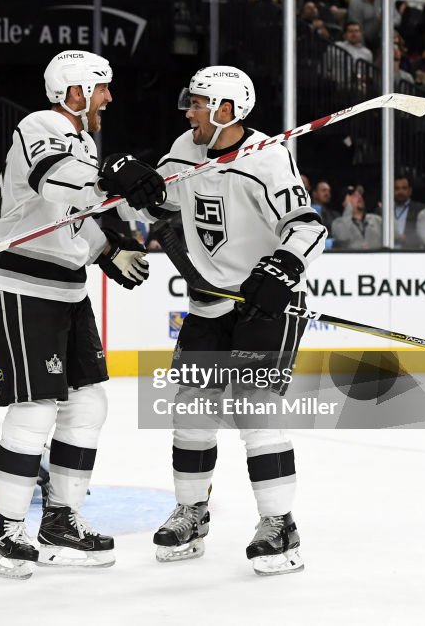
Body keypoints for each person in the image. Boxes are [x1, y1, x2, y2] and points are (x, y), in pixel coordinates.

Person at [0, 50, 166, 579]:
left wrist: (108, 249)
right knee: (36, 407)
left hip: (62, 288)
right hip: (16, 280)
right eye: (102, 88)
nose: (109, 97)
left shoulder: (86, 143)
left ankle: (60, 521)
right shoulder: (42, 124)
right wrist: (113, 176)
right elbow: (55, 180)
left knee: (88, 402)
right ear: (74, 93)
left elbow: (75, 214)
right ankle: (5, 533)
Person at [115, 67, 324, 576]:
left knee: (256, 414)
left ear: (227, 110)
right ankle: (192, 512)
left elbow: (308, 228)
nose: (189, 111)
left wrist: (283, 267)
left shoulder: (268, 161)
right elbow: (162, 199)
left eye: (199, 103)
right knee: (190, 414)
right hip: (210, 304)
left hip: (264, 306)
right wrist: (129, 181)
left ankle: (280, 525)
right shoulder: (185, 149)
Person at [388, 174, 425, 249]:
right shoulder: (384, 210)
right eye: (397, 188)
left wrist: (406, 238)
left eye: (404, 188)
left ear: (410, 191)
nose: (400, 191)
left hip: (411, 252)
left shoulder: (421, 210)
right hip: (387, 253)